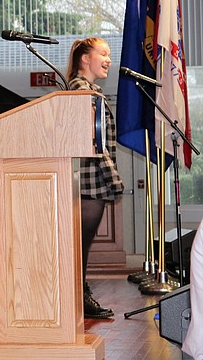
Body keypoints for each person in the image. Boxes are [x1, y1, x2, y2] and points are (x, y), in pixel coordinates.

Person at [67, 37, 123, 319]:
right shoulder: (79, 90)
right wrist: (111, 175)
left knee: (81, 245)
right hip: (88, 177)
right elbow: (90, 139)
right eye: (103, 53)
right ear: (84, 59)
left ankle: (79, 295)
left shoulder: (90, 90)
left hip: (91, 177)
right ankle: (78, 297)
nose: (109, 59)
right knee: (79, 244)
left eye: (110, 54)